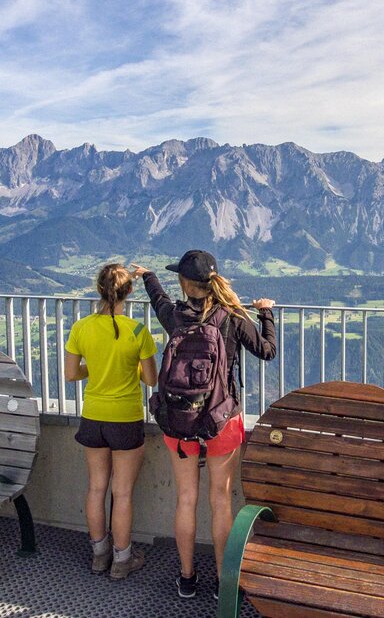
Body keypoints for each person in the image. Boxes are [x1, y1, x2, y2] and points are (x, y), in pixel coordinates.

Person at [131, 250, 276, 600]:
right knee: (221, 502)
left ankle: (187, 578)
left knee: (186, 499)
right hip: (222, 420)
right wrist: (265, 311)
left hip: (179, 422)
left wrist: (149, 276)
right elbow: (267, 350)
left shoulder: (175, 317)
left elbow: (159, 300)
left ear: (184, 283)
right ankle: (223, 584)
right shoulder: (232, 317)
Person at [64, 263, 158, 579]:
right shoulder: (137, 331)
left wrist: (97, 368)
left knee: (96, 488)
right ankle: (122, 560)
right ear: (128, 293)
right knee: (123, 493)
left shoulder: (81, 328)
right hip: (125, 418)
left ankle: (99, 555)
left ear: (99, 289)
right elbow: (150, 379)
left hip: (92, 417)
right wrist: (127, 368)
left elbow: (71, 373)